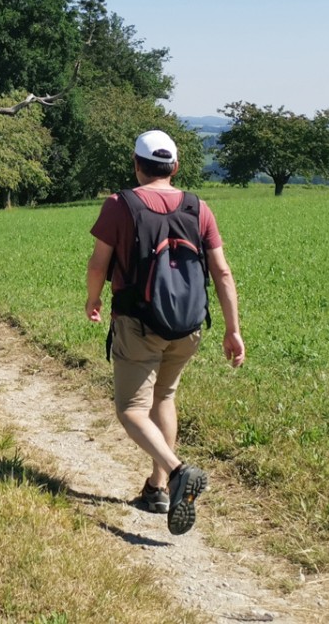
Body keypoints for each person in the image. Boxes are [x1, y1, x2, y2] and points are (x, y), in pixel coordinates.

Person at [85, 129, 245, 535]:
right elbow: (222, 272)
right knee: (165, 397)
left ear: (137, 166)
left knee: (131, 410)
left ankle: (175, 472)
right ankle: (156, 488)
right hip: (188, 326)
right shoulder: (198, 207)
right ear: (174, 167)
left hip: (139, 323)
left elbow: (98, 264)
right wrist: (232, 329)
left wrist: (93, 298)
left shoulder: (120, 205)